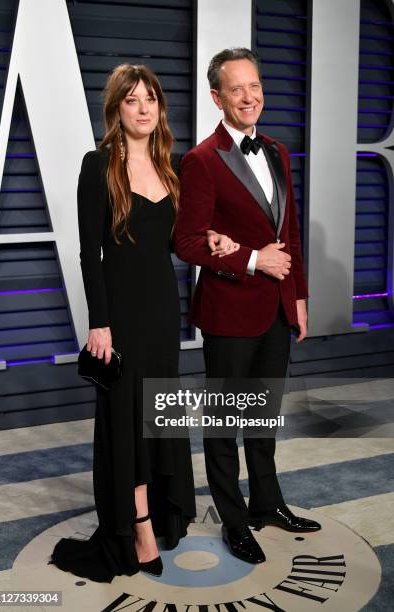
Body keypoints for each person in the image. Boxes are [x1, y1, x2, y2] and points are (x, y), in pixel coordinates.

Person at [50, 64, 238, 583]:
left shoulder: (171, 167)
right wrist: (100, 323)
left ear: (160, 108)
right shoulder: (98, 165)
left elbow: (182, 241)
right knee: (128, 421)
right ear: (117, 109)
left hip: (162, 312)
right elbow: (90, 253)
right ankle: (139, 529)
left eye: (150, 99)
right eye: (131, 100)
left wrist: (215, 240)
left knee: (160, 413)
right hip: (122, 315)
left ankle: (165, 508)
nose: (142, 108)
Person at [175, 48, 321, 566]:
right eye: (236, 88)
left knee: (263, 419)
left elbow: (292, 235)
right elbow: (187, 241)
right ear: (217, 97)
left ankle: (268, 504)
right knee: (223, 425)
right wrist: (254, 260)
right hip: (229, 312)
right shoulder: (200, 161)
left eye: (254, 85)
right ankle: (234, 523)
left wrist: (298, 297)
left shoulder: (277, 151)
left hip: (277, 312)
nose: (249, 96)